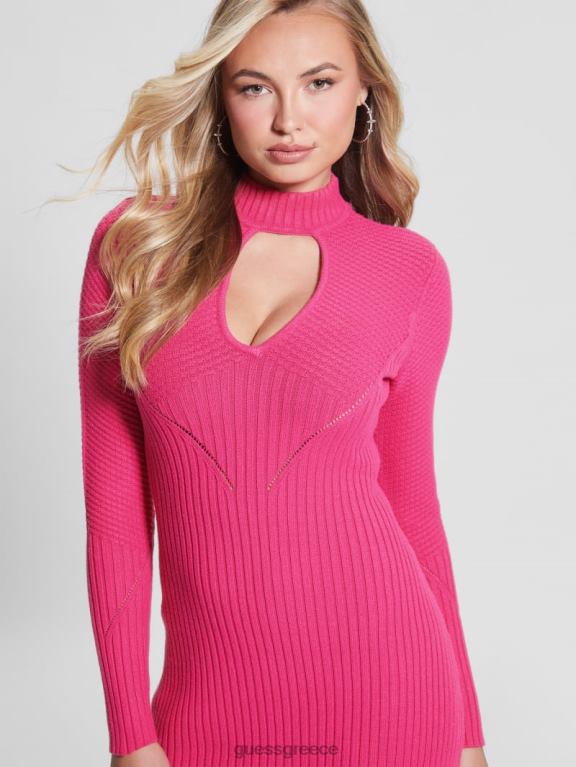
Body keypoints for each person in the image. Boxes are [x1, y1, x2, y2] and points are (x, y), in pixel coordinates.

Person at [76, 2, 489, 766]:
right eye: (256, 87)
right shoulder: (135, 248)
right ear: (220, 94)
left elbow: (413, 507)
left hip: (396, 690)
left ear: (364, 90)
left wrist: (468, 736)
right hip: (208, 708)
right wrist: (130, 735)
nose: (289, 120)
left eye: (319, 82)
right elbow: (115, 521)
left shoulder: (409, 272)